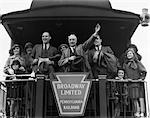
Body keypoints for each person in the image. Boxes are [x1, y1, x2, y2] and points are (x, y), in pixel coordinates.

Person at [123, 48, 147, 118]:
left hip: (138, 83)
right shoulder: (125, 64)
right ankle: (136, 111)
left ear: (133, 54)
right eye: (128, 54)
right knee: (134, 99)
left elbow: (144, 71)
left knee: (140, 98)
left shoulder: (137, 62)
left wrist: (141, 78)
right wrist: (127, 79)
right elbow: (124, 73)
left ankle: (142, 112)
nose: (129, 55)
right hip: (131, 83)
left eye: (130, 53)